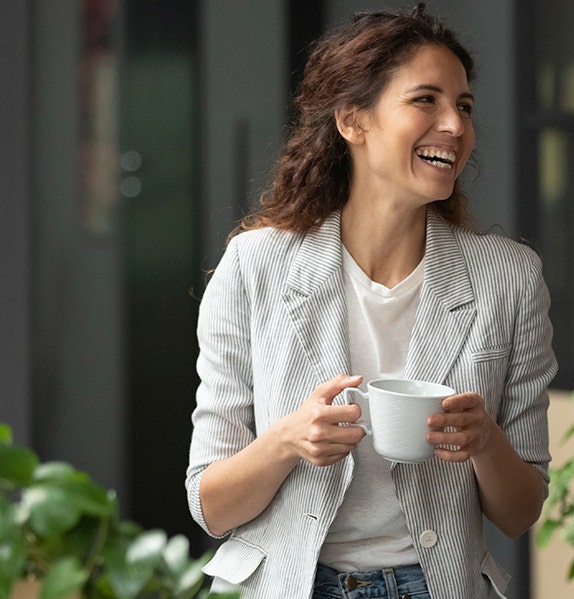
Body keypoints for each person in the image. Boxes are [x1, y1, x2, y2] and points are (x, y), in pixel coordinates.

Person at [185, 5, 555, 598]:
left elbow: (520, 512)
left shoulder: (507, 278)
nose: (455, 126)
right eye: (425, 100)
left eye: (463, 106)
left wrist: (486, 440)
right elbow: (211, 505)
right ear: (353, 120)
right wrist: (288, 440)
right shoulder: (257, 265)